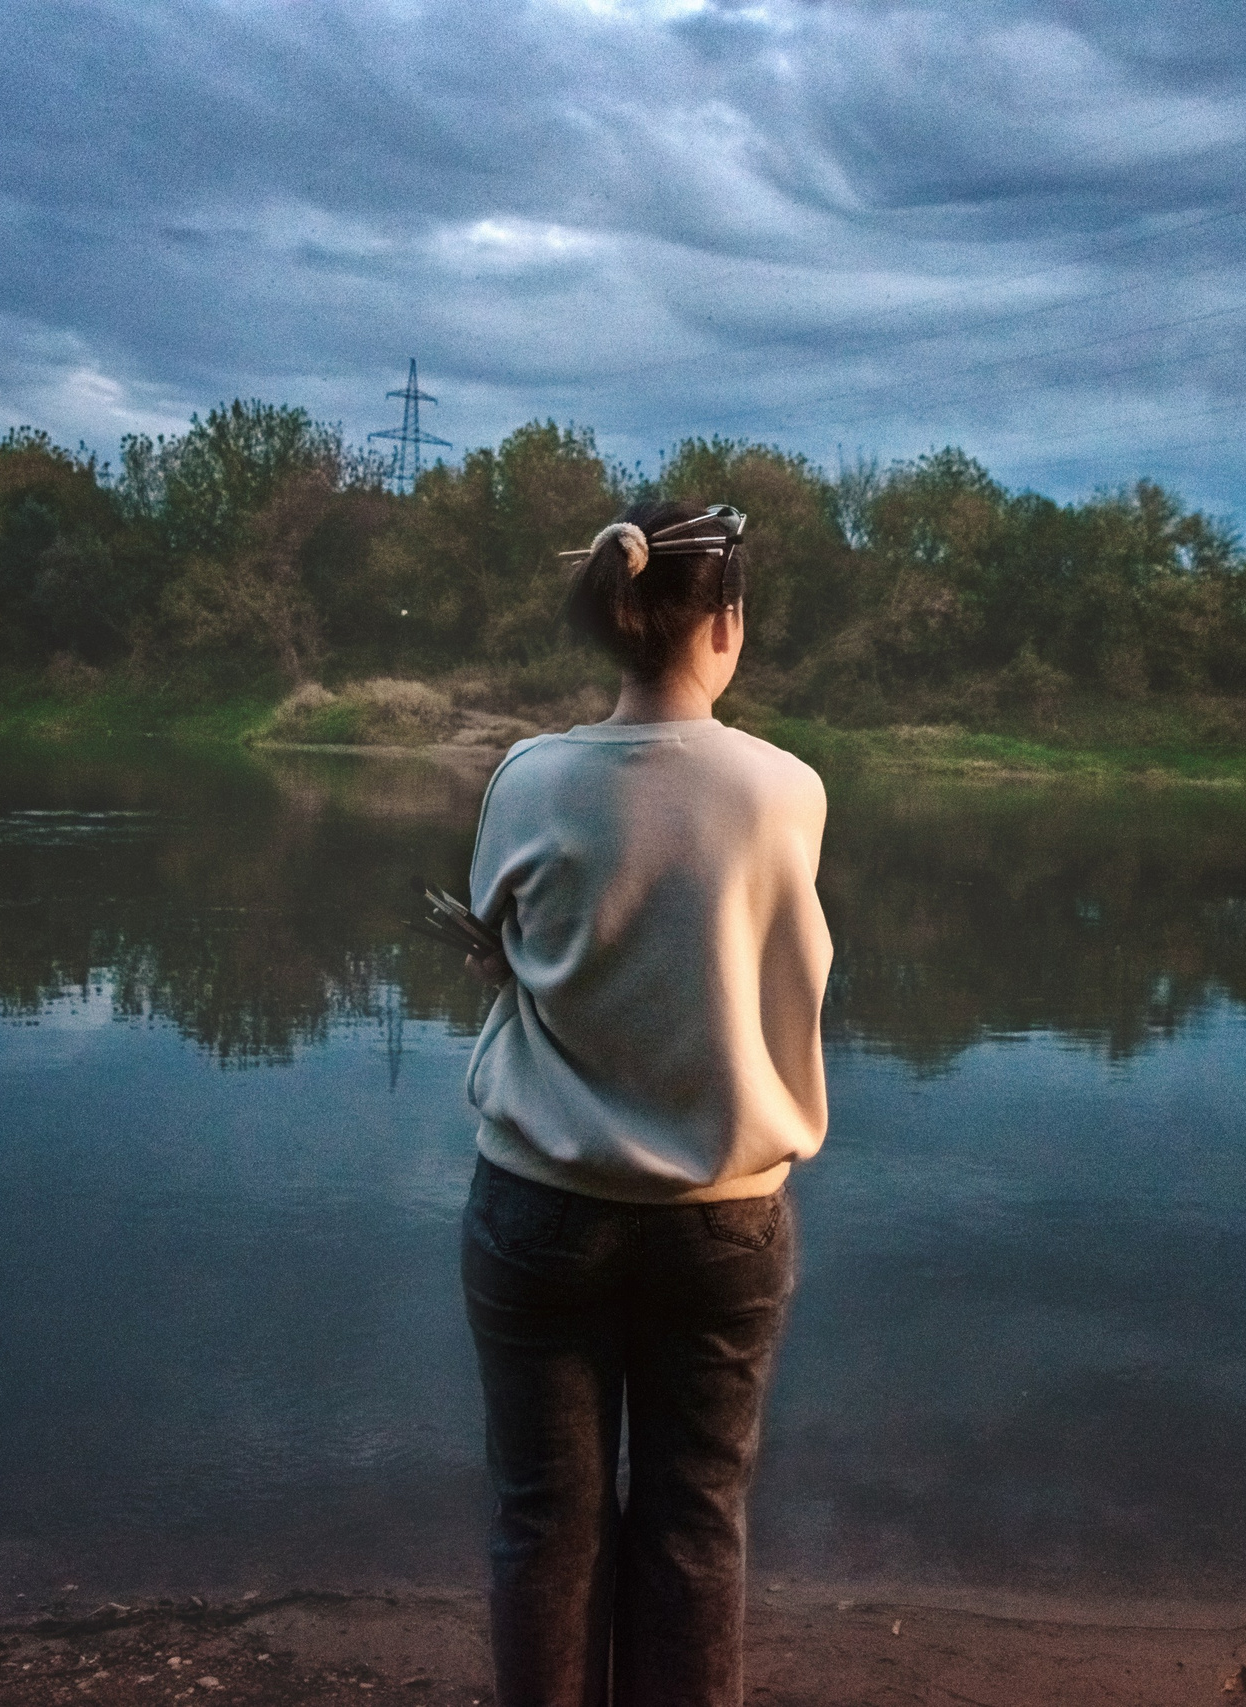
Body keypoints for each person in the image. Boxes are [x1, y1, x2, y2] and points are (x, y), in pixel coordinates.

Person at [456, 498, 833, 1707]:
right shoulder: (785, 790)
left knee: (544, 1524)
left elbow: (509, 949)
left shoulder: (527, 777)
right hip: (724, 1217)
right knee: (691, 1526)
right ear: (722, 622)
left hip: (540, 1209)